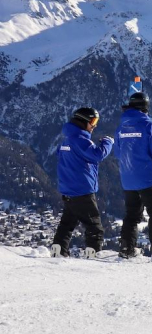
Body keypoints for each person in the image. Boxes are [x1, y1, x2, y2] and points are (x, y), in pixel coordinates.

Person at [114, 91, 152, 259]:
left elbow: (118, 152)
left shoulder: (121, 127)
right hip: (148, 179)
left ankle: (126, 249)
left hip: (128, 180)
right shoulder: (150, 126)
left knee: (131, 216)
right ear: (145, 107)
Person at [50, 107, 114, 258]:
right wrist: (108, 142)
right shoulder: (81, 141)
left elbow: (61, 155)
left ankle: (58, 251)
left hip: (68, 190)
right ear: (83, 122)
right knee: (94, 226)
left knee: (67, 224)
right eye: (93, 121)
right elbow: (97, 155)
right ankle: (93, 254)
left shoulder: (66, 141)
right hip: (82, 191)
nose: (94, 125)